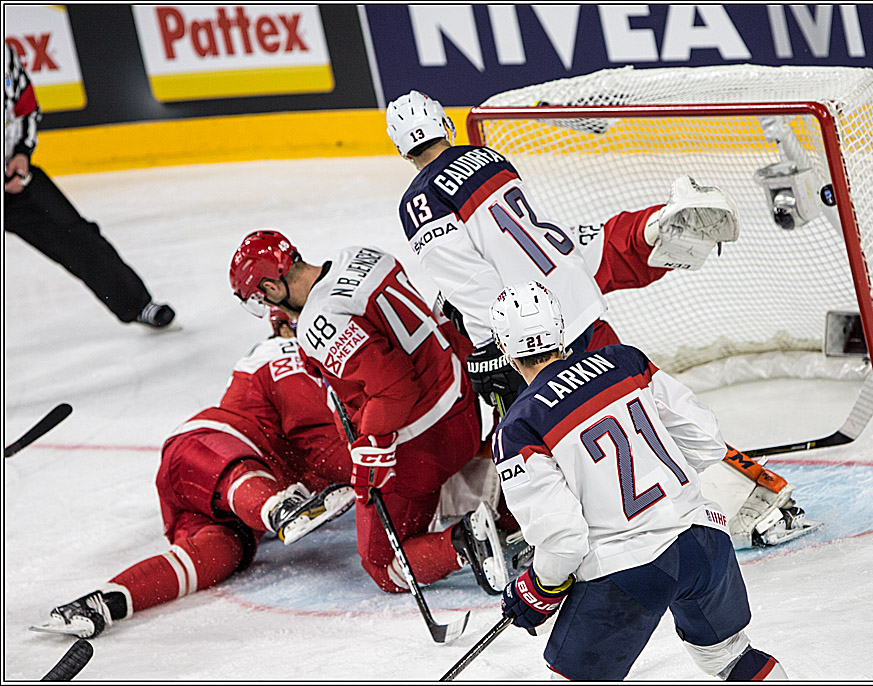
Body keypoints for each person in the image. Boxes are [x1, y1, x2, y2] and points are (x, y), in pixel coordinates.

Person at [385, 90, 815, 550]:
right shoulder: (490, 159)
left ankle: (601, 530)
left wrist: (498, 339)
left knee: (562, 438)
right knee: (640, 411)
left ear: (400, 149)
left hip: (530, 331)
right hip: (575, 303)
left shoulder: (419, 200)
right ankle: (760, 494)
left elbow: (466, 277)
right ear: (445, 125)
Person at [491, 282, 787, 680]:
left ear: (505, 350)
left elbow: (562, 538)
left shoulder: (519, 427)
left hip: (627, 572)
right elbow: (707, 442)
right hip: (703, 541)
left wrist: (539, 588)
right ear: (561, 331)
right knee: (733, 659)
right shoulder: (625, 361)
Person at [31, 309, 354, 639]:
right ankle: (280, 510)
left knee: (222, 551)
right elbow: (327, 446)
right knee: (242, 475)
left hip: (216, 497)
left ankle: (102, 602)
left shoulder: (304, 360)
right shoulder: (282, 355)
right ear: (284, 326)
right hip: (209, 453)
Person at [228, 231, 508, 596]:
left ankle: (463, 544)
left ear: (273, 286)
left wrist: (371, 456)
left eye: (264, 299)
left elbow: (394, 390)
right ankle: (510, 511)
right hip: (464, 410)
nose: (270, 310)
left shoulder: (318, 321)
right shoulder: (361, 255)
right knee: (432, 483)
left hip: (426, 444)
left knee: (382, 564)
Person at [4, 45, 174, 329]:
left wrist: (22, 152)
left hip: (17, 181)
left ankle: (137, 304)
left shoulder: (5, 54)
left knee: (79, 237)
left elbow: (25, 105)